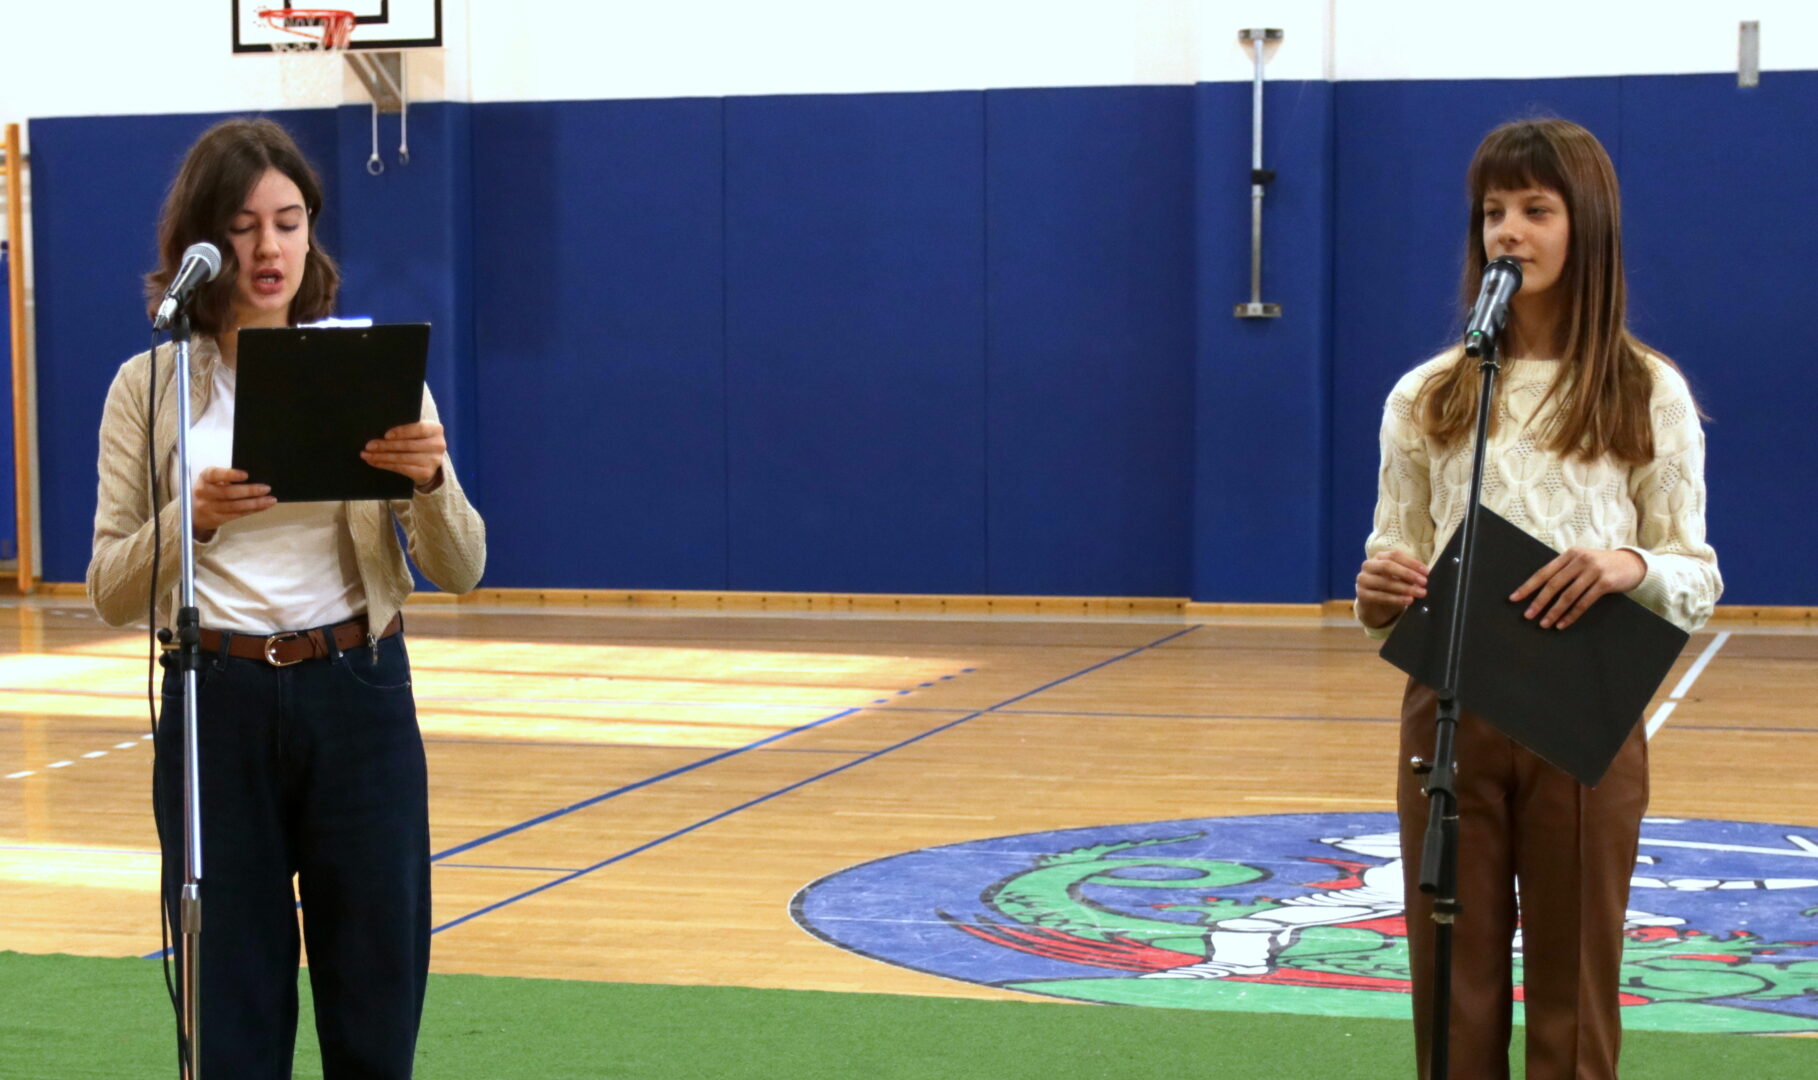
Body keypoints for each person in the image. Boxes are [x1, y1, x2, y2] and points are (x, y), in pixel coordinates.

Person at [86, 117, 485, 1079]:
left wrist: (430, 483)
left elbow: (464, 565)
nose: (268, 248)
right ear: (200, 242)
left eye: (288, 222)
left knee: (375, 991)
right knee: (232, 1003)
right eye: (241, 227)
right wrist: (190, 521)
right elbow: (107, 590)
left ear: (312, 232)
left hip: (358, 695)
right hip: (213, 703)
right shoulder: (148, 387)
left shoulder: (370, 367)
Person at [1353, 118, 1721, 1080]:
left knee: (1574, 989)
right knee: (1451, 981)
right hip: (1451, 707)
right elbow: (1393, 556)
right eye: (1492, 213)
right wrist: (1379, 590)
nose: (1508, 232)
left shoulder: (1646, 390)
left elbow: (1696, 573)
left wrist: (1629, 567)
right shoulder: (1427, 394)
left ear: (1585, 224)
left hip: (1583, 713)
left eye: (1536, 210)